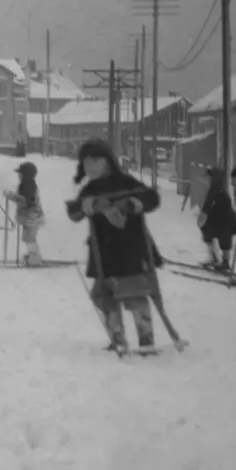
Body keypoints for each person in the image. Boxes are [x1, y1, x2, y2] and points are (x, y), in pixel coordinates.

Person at [66, 138, 163, 353]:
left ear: (108, 161)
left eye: (95, 161)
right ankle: (117, 337)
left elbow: (152, 198)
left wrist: (138, 204)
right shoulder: (89, 189)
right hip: (103, 252)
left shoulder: (126, 182)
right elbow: (73, 212)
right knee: (103, 296)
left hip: (129, 250)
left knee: (135, 294)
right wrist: (87, 206)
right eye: (86, 163)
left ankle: (146, 340)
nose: (89, 167)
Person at [197, 167, 236, 272]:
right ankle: (222, 260)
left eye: (208, 177)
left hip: (222, 220)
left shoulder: (215, 189)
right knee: (220, 237)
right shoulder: (220, 188)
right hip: (223, 219)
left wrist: (202, 217)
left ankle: (217, 259)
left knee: (211, 234)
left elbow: (208, 204)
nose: (205, 180)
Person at [12, 162, 46, 266]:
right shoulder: (25, 184)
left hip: (33, 215)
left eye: (20, 173)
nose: (19, 175)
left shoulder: (28, 185)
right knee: (28, 237)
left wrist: (16, 198)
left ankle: (34, 258)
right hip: (30, 215)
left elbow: (27, 201)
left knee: (29, 237)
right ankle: (33, 256)